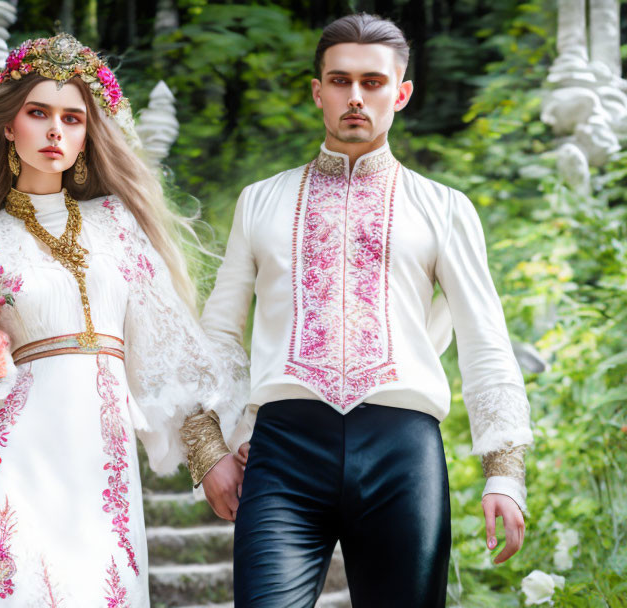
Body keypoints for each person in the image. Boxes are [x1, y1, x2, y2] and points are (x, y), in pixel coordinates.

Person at [0, 33, 240, 608]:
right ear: (10, 125)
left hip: (100, 475)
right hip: (9, 460)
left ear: (86, 134)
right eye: (38, 113)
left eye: (72, 118)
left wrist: (209, 458)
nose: (56, 130)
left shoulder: (117, 226)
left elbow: (167, 351)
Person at [180, 13, 534, 608]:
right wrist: (207, 446)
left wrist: (504, 470)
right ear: (318, 91)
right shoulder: (260, 202)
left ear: (401, 92)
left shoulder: (444, 208)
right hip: (285, 450)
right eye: (340, 81)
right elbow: (218, 333)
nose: (355, 96)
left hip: (403, 450)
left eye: (373, 82)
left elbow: (485, 342)